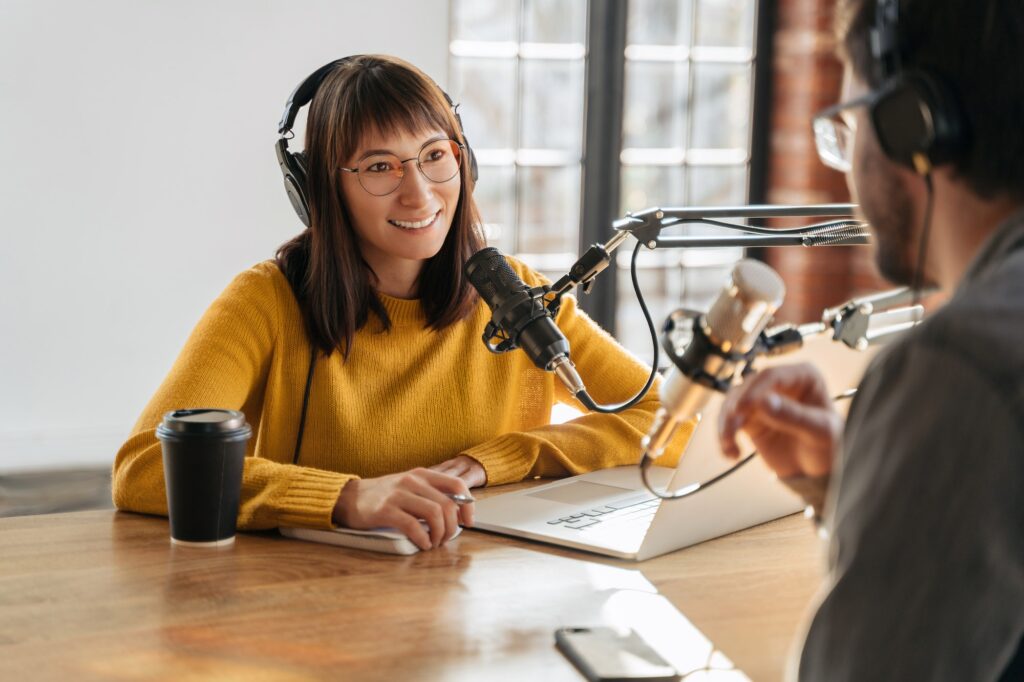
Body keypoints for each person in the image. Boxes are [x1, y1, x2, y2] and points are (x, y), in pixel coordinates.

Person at [112, 55, 690, 552]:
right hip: (312, 600)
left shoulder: (510, 291)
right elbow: (144, 467)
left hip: (485, 593)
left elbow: (675, 425)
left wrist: (505, 457)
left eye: (435, 155)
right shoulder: (266, 299)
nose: (420, 192)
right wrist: (346, 497)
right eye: (380, 167)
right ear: (320, 188)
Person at [717, 0, 1024, 679]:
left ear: (913, 121)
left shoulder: (960, 367)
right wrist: (855, 481)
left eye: (847, 124)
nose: (844, 165)